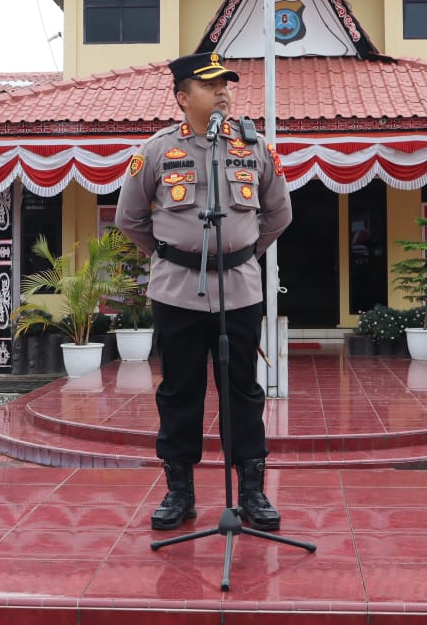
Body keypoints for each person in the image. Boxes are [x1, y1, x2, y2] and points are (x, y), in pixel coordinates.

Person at [115, 51, 293, 531]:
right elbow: (129, 218)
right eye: (210, 85)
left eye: (225, 85)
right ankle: (180, 491)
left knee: (244, 390)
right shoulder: (156, 151)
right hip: (176, 292)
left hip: (239, 290)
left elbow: (279, 213)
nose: (222, 92)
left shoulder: (253, 147)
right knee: (180, 390)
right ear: (182, 97)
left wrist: (240, 252)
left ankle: (251, 490)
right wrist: (174, 254)